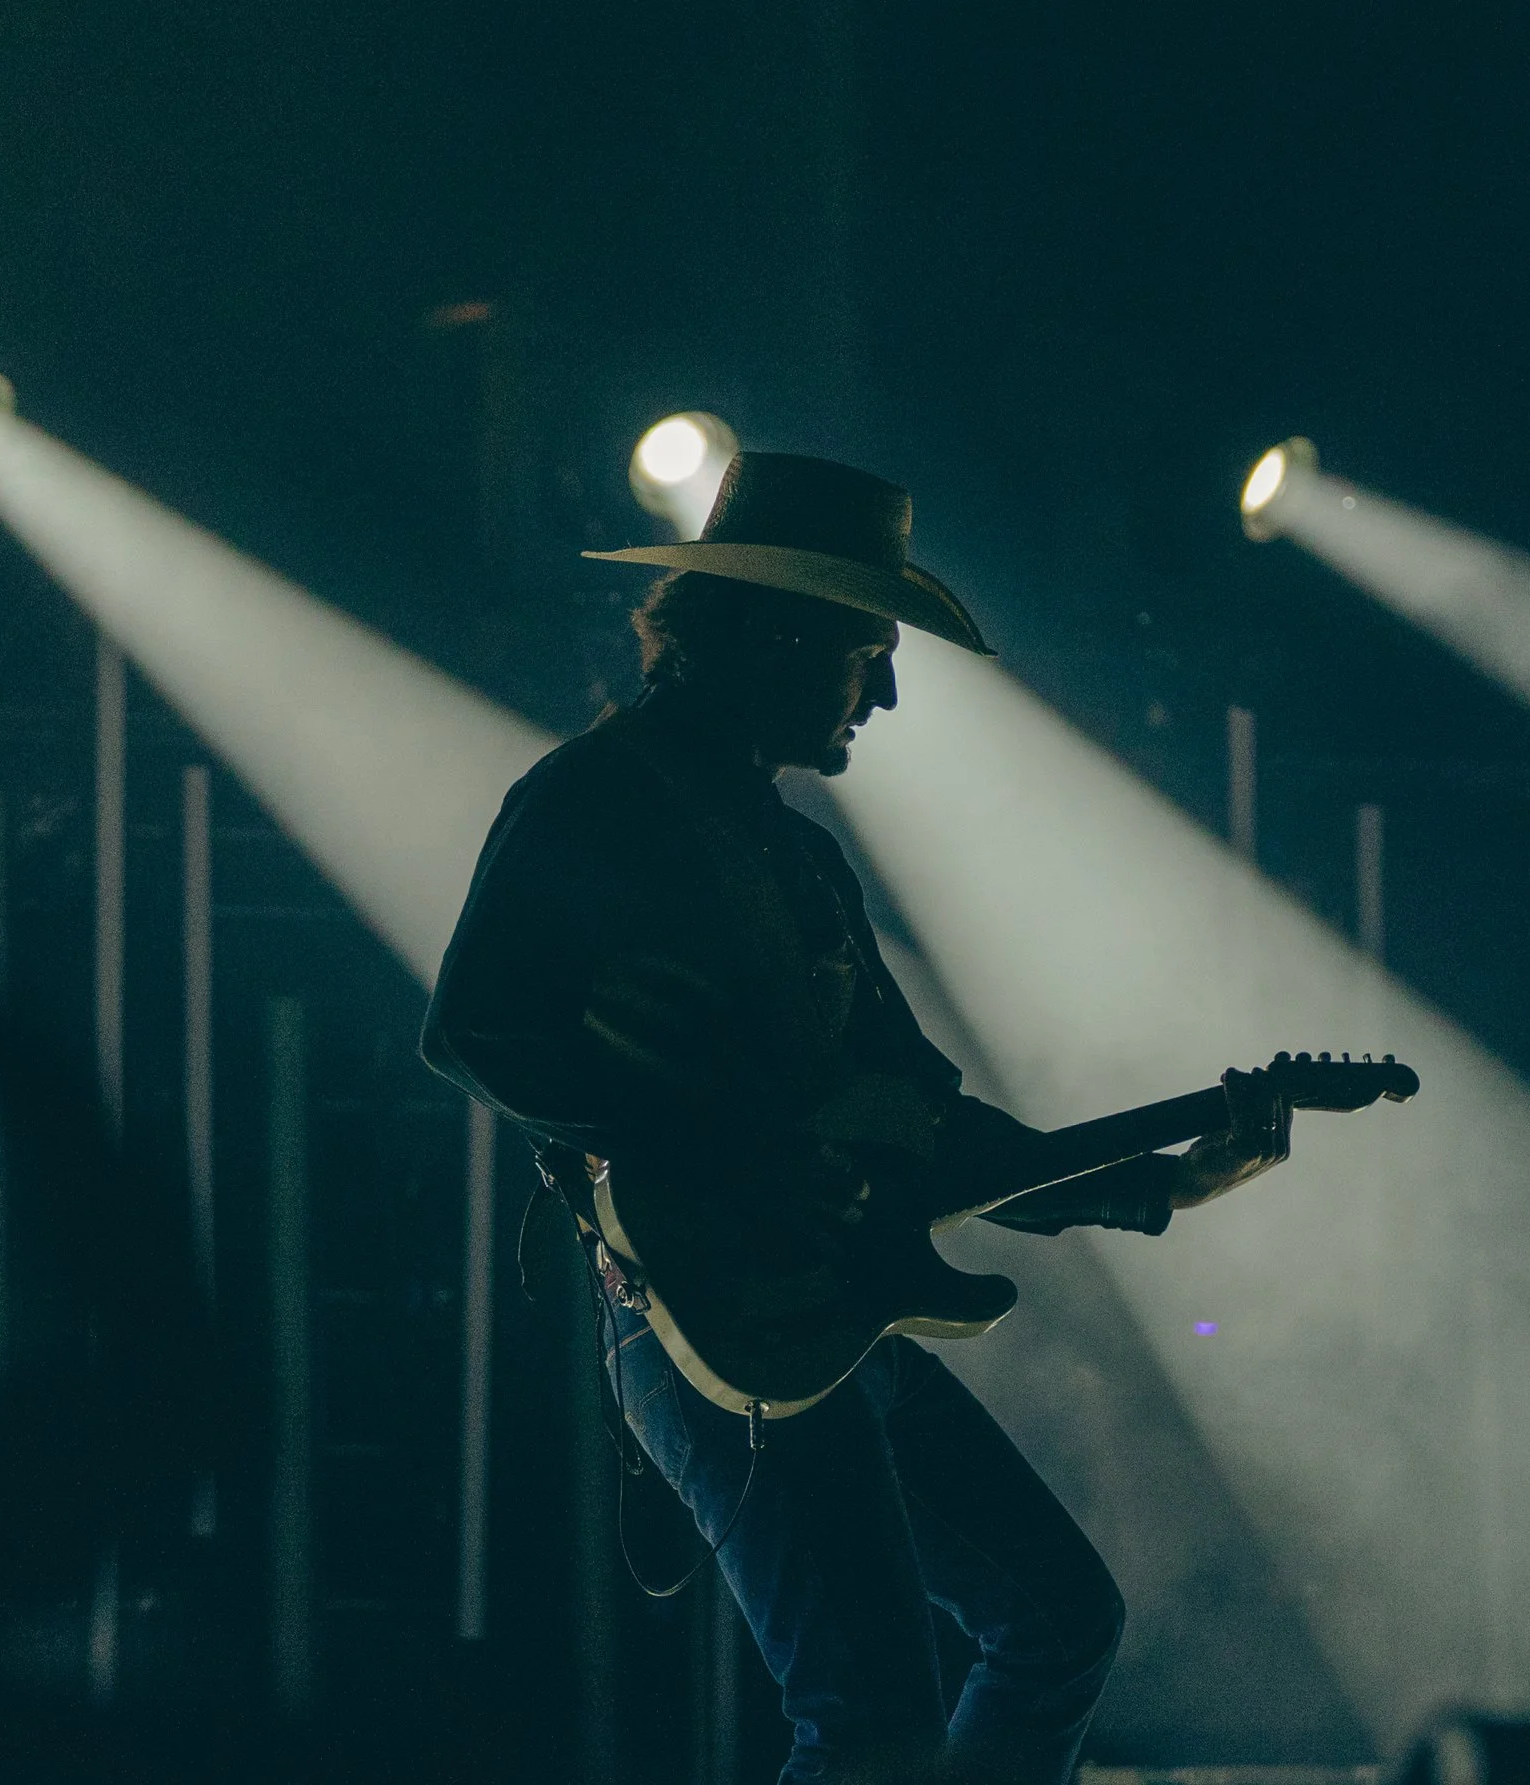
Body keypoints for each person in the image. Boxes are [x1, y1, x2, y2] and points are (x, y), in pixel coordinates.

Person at [421, 452, 1295, 1785]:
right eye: (866, 652)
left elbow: (931, 1127)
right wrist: (719, 1149)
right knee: (872, 1719)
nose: (883, 692)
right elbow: (476, 1029)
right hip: (706, 1322)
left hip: (837, 1314)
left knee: (1057, 1622)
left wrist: (1165, 1181)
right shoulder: (594, 800)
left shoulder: (797, 855)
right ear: (777, 635)